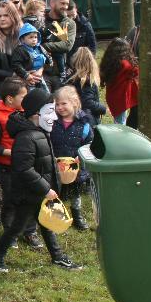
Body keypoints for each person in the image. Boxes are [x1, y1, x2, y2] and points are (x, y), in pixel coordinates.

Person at [0, 89, 83, 273]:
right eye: (50, 112)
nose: (54, 117)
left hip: (38, 191)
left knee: (46, 224)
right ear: (35, 114)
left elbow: (40, 159)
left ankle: (57, 256)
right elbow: (24, 169)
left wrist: (56, 165)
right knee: (17, 226)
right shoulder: (26, 137)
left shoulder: (40, 132)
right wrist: (45, 188)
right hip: (29, 193)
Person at [0, 77, 43, 249]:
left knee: (30, 199)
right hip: (8, 168)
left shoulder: (27, 113)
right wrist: (12, 152)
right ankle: (10, 233)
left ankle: (30, 231)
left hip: (28, 166)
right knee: (11, 201)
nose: (26, 100)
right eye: (23, 97)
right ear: (10, 99)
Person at [50, 86, 94, 230]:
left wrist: (80, 156)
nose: (60, 107)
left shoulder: (84, 124)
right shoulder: (52, 121)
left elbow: (89, 143)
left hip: (75, 166)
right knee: (56, 191)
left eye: (64, 103)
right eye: (57, 104)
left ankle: (77, 215)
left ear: (74, 102)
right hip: (56, 164)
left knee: (76, 193)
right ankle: (56, 216)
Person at [100, 38, 139, 128]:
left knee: (119, 120)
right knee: (120, 124)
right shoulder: (125, 64)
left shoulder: (108, 62)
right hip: (121, 97)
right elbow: (136, 70)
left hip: (112, 96)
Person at [42, 0, 77, 87]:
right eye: (62, 3)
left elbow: (67, 45)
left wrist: (44, 46)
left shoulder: (70, 23)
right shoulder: (41, 20)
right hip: (41, 73)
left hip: (61, 74)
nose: (66, 7)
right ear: (52, 3)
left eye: (67, 4)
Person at [67, 47, 106, 124]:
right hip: (87, 120)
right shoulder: (86, 81)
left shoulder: (71, 79)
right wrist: (102, 108)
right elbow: (87, 102)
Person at [11, 23, 52, 92]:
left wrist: (45, 66)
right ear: (22, 39)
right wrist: (26, 75)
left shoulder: (39, 48)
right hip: (27, 78)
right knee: (31, 94)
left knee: (46, 93)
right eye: (31, 37)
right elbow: (16, 64)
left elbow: (48, 58)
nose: (34, 39)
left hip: (40, 76)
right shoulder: (19, 50)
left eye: (35, 37)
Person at [66, 0, 97, 67]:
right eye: (68, 16)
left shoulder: (85, 24)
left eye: (73, 15)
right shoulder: (60, 24)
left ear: (76, 10)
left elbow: (92, 45)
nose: (71, 18)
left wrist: (89, 64)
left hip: (82, 63)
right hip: (67, 64)